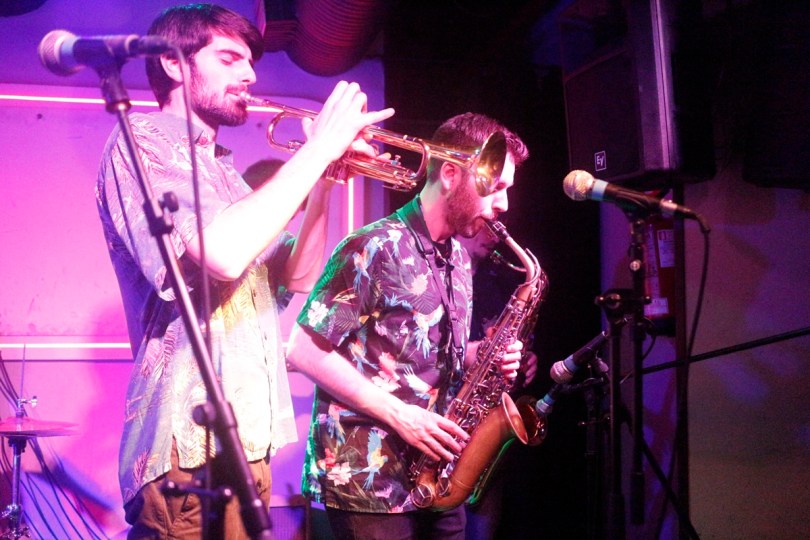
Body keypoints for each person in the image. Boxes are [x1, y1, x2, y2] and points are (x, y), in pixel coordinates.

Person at [95, 3, 393, 538]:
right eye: (229, 58)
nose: (250, 75)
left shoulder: (227, 174)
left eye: (250, 62)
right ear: (173, 64)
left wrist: (325, 178)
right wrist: (319, 147)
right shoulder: (141, 139)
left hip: (248, 438)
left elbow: (298, 276)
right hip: (187, 446)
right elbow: (224, 253)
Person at [286, 112, 530, 539]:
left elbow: (417, 354)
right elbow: (302, 350)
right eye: (496, 186)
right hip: (369, 482)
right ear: (450, 175)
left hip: (437, 477)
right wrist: (401, 416)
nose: (504, 203)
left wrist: (484, 356)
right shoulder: (373, 245)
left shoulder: (457, 256)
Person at [458, 226, 541, 540]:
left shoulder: (496, 281)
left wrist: (525, 358)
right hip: (450, 408)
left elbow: (511, 337)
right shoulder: (442, 276)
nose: (494, 234)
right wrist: (480, 353)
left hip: (487, 412)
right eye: (486, 225)